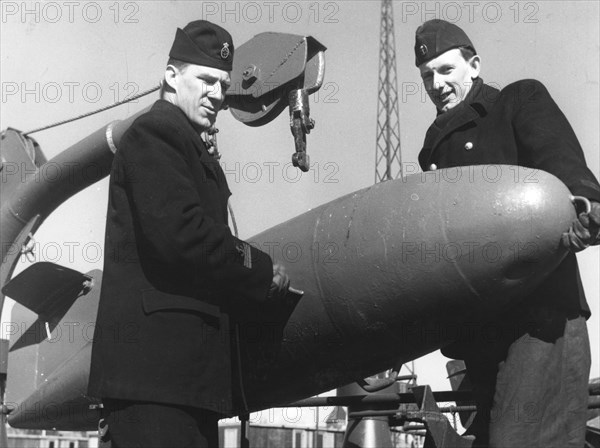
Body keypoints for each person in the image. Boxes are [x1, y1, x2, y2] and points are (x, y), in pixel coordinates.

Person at [88, 20, 290, 447]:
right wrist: (260, 268)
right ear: (171, 76)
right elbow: (183, 235)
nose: (217, 94)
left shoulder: (186, 141)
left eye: (223, 84)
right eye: (205, 80)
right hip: (156, 381)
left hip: (182, 381)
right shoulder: (156, 133)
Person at [414, 19, 600, 447]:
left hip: (539, 320)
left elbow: (563, 162)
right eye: (427, 76)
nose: (436, 84)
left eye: (446, 70)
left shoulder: (516, 100)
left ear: (474, 65)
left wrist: (584, 204)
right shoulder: (433, 147)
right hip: (481, 329)